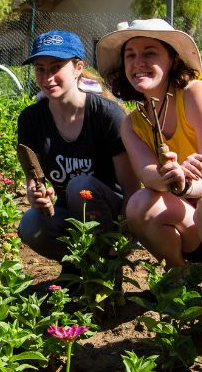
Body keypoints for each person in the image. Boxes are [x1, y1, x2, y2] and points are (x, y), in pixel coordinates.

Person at [95, 19, 202, 310]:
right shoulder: (132, 124)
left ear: (172, 59)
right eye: (130, 55)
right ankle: (181, 275)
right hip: (196, 219)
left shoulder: (198, 95)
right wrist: (171, 176)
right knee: (139, 205)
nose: (139, 62)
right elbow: (149, 175)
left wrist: (185, 183)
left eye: (150, 53)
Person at [17, 29, 139, 266]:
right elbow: (33, 176)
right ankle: (78, 269)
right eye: (40, 69)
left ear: (78, 68)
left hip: (113, 214)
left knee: (80, 185)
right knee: (31, 224)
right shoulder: (31, 119)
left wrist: (124, 237)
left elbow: (131, 187)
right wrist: (37, 194)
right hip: (71, 214)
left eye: (55, 67)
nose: (47, 77)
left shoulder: (106, 114)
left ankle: (105, 267)